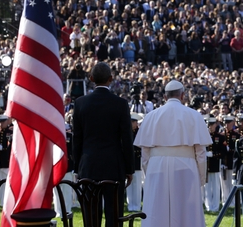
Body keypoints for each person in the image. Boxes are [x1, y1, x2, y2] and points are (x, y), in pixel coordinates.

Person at [133, 79, 212, 227]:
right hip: (186, 167)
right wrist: (200, 178)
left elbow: (145, 154)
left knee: (157, 211)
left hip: (157, 166)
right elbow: (201, 153)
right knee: (185, 212)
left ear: (165, 97)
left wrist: (149, 173)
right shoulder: (194, 115)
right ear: (182, 96)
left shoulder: (151, 116)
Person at [73, 62, 134, 227]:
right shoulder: (120, 104)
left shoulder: (80, 103)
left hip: (88, 166)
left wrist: (77, 167)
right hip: (114, 166)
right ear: (111, 79)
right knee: (114, 216)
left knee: (91, 217)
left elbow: (76, 138)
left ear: (91, 78)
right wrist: (129, 169)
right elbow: (127, 139)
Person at [204, 117, 225, 212]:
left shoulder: (220, 137)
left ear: (215, 126)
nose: (210, 128)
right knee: (207, 187)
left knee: (216, 186)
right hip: (206, 165)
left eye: (211, 126)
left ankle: (215, 206)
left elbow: (223, 151)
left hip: (215, 164)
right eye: (209, 126)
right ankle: (208, 205)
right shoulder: (203, 136)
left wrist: (214, 154)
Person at [125, 113, 144, 212]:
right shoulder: (127, 132)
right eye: (131, 121)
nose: (132, 123)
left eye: (134, 122)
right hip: (128, 161)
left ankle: (136, 205)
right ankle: (130, 204)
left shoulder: (140, 132)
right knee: (129, 184)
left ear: (136, 123)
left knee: (137, 185)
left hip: (137, 160)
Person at [0, 114, 12, 205]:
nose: (1, 124)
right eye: (0, 122)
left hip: (6, 161)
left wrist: (4, 148)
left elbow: (11, 147)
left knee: (6, 183)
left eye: (3, 122)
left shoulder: (10, 132)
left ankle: (7, 201)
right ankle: (1, 201)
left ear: (7, 122)